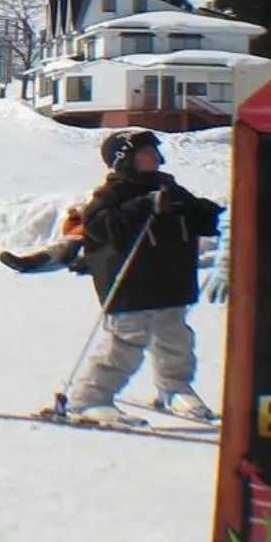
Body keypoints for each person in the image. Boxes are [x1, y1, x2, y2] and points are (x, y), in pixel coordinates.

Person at [65, 130, 222, 423]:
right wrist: (142, 206)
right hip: (131, 284)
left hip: (171, 281)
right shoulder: (111, 194)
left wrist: (203, 215)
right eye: (145, 152)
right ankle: (89, 399)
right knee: (126, 342)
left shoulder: (169, 187)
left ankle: (173, 388)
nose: (154, 157)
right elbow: (99, 226)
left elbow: (189, 217)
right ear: (125, 160)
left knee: (175, 339)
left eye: (154, 151)